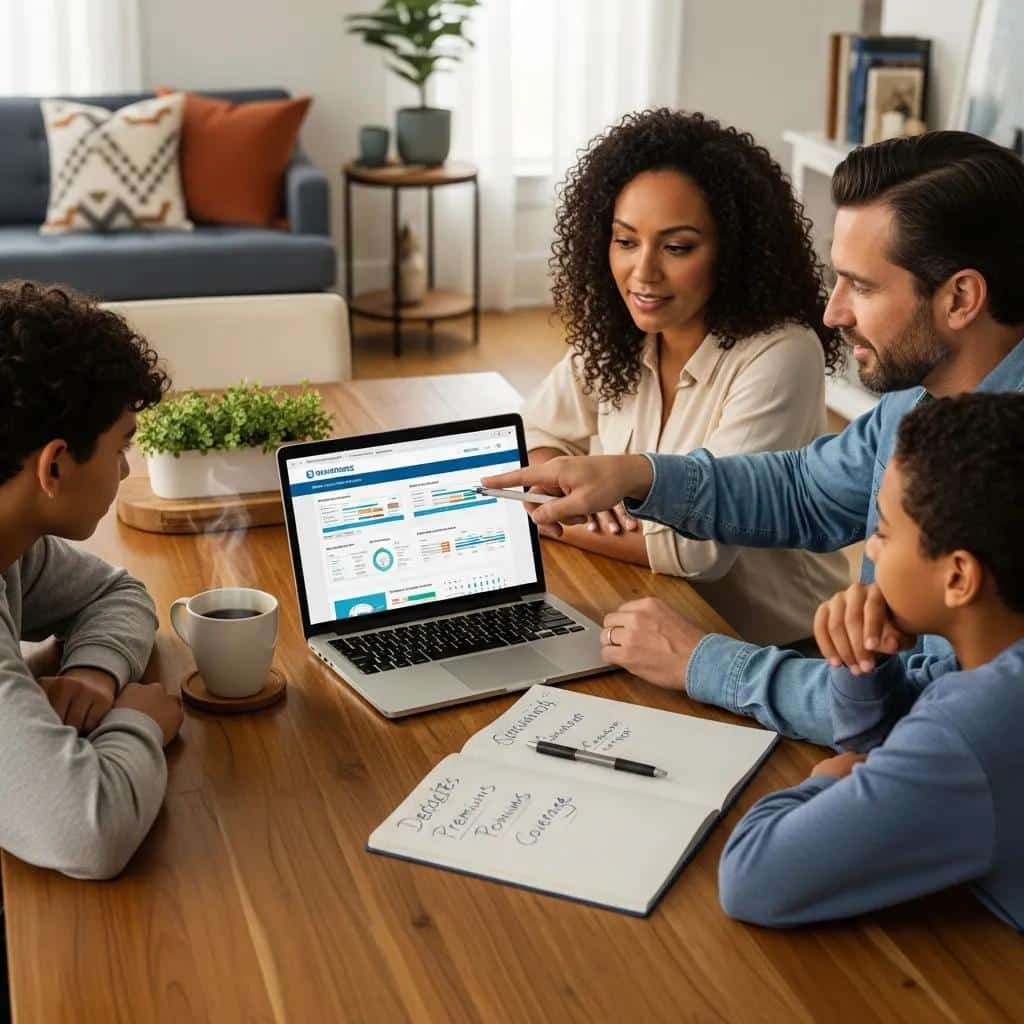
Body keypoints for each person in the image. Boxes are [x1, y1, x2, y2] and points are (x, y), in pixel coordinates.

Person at [483, 130, 1024, 746]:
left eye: (863, 286)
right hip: (864, 708)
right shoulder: (919, 396)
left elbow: (934, 715)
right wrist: (640, 475)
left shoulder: (1004, 469)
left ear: (960, 297)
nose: (834, 312)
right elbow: (805, 492)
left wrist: (700, 661)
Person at [521, 109, 848, 645]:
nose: (643, 272)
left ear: (733, 252)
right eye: (626, 241)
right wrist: (575, 497)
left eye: (676, 248)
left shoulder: (782, 354)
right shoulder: (622, 329)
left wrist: (552, 513)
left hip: (777, 651)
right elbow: (535, 435)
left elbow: (697, 552)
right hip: (650, 611)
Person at [717, 393, 1024, 930]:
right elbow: (896, 753)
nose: (872, 552)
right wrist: (866, 666)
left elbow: (752, 877)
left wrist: (829, 779)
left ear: (958, 577)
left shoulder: (979, 721)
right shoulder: (989, 666)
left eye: (882, 531)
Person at [0, 280, 183, 881]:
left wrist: (93, 673)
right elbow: (87, 831)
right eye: (121, 446)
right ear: (55, 466)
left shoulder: (14, 549)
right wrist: (140, 722)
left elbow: (116, 592)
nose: (125, 470)